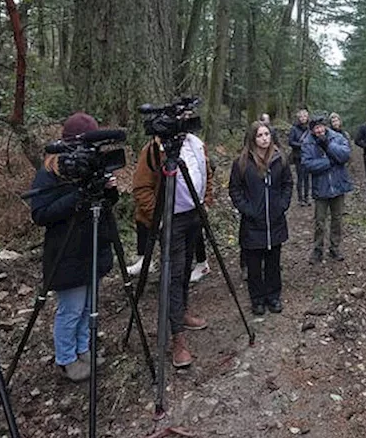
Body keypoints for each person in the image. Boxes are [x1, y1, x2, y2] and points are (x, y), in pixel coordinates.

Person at [27, 112, 118, 383]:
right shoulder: (51, 172)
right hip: (67, 252)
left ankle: (84, 349)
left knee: (90, 305)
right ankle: (66, 359)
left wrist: (108, 190)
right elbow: (40, 214)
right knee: (72, 309)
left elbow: (105, 204)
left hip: (93, 244)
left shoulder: (92, 165)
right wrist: (76, 197)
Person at [132, 124, 212, 370]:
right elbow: (141, 188)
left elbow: (206, 172)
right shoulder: (154, 150)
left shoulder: (196, 143)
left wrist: (206, 201)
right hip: (172, 220)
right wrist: (161, 216)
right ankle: (177, 339)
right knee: (174, 275)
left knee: (186, 267)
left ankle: (182, 313)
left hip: (193, 216)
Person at [228, 121, 292, 316]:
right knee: (254, 265)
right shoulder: (242, 162)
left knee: (273, 262)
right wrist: (247, 210)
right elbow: (235, 189)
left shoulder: (280, 159)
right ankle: (257, 300)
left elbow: (287, 184)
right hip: (252, 223)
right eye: (260, 135)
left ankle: (273, 296)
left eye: (266, 134)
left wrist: (282, 205)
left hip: (275, 220)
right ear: (253, 138)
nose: (264, 138)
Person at [300, 114, 353, 263]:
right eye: (316, 128)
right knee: (319, 222)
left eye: (321, 127)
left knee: (337, 219)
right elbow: (307, 164)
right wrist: (328, 162)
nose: (319, 130)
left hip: (338, 185)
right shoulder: (307, 142)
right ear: (312, 130)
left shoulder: (337, 137)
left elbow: (344, 155)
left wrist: (328, 146)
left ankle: (335, 248)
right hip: (321, 188)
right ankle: (317, 250)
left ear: (325, 126)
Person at [287, 108, 312, 205]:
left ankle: (307, 197)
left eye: (305, 116)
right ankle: (300, 199)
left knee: (307, 178)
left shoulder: (310, 129)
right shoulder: (294, 128)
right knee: (300, 177)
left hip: (308, 156)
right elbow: (291, 141)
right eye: (301, 116)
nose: (303, 118)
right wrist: (301, 145)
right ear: (298, 118)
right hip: (298, 156)